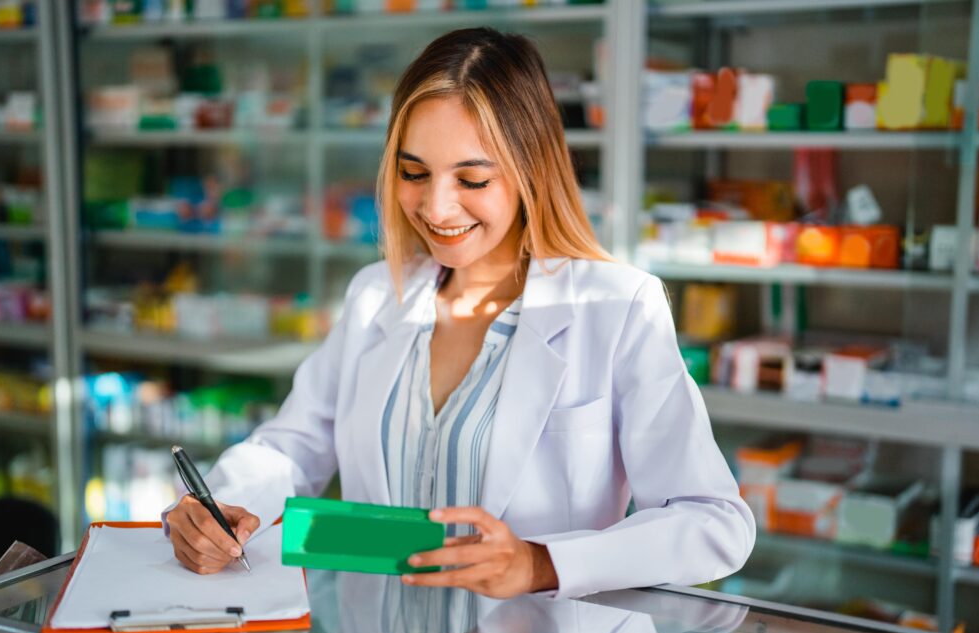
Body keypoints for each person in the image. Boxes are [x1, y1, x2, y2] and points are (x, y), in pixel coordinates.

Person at [164, 27, 755, 600]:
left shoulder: (615, 307)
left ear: (531, 172)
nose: (436, 206)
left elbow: (714, 522)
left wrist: (540, 563)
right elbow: (291, 448)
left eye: (472, 178)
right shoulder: (377, 296)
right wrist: (219, 508)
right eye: (413, 173)